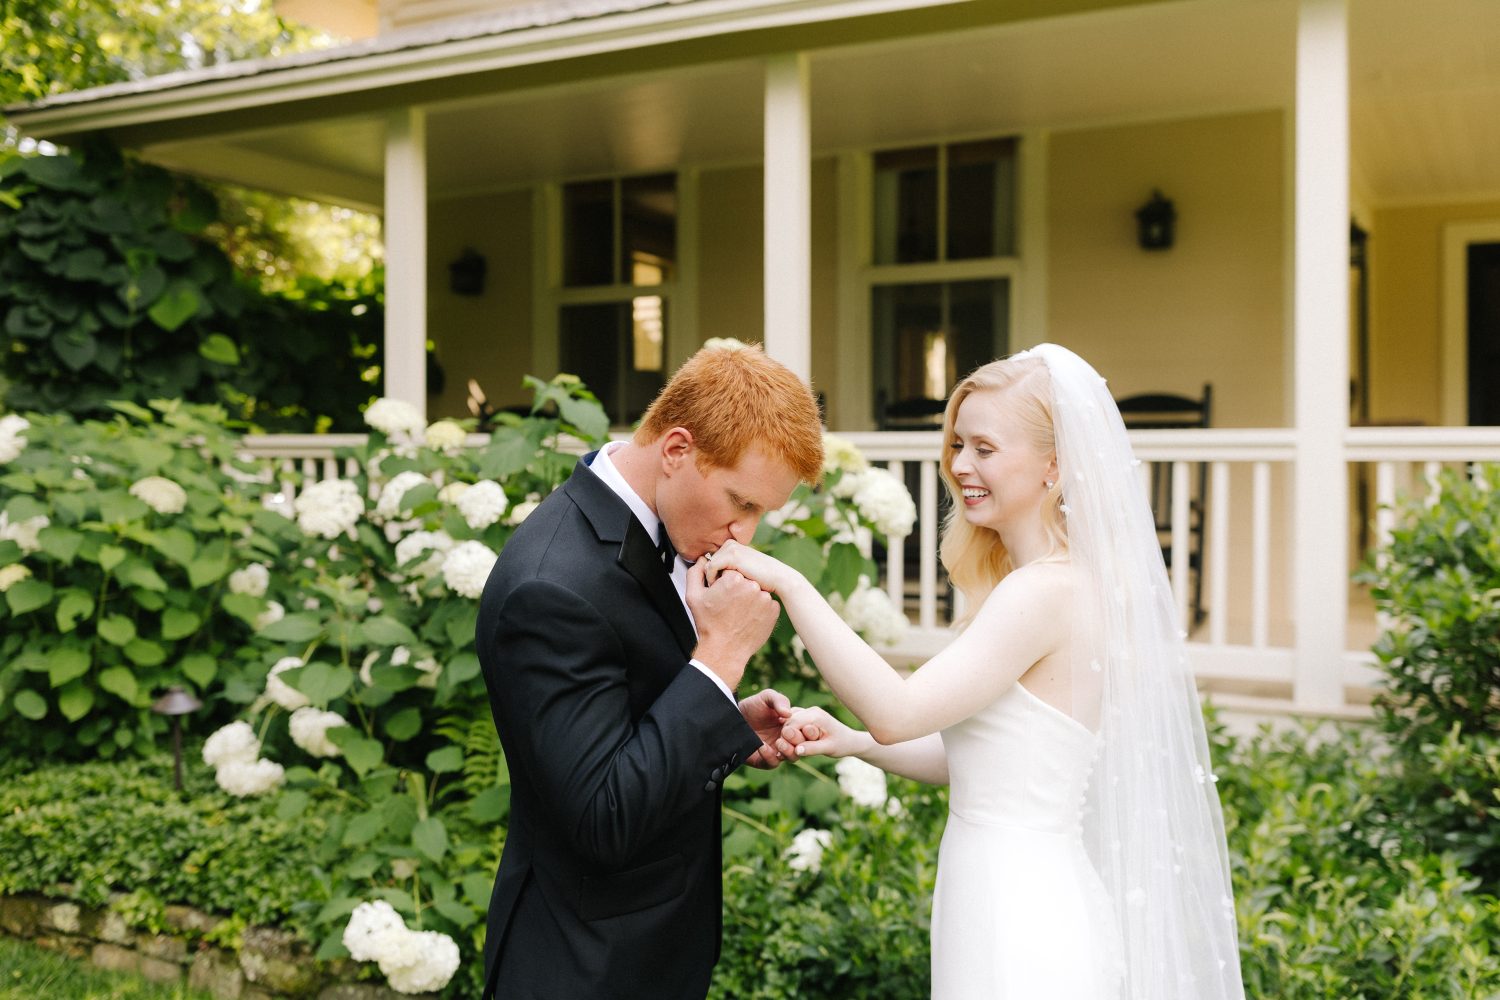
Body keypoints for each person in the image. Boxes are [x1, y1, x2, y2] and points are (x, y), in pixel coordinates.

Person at [707, 344, 1246, 999]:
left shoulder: (1043, 593)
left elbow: (899, 710)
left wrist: (789, 581)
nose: (960, 465)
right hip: (996, 892)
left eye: (984, 448)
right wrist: (849, 740)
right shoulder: (1039, 584)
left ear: (1055, 466)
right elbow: (983, 756)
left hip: (1020, 913)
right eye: (958, 444)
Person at [475, 344, 825, 1000]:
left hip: (652, 955)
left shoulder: (655, 523)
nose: (744, 534)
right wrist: (720, 660)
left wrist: (724, 714)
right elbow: (602, 818)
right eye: (740, 502)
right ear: (676, 449)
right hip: (580, 968)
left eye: (760, 515)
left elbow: (629, 706)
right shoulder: (551, 587)